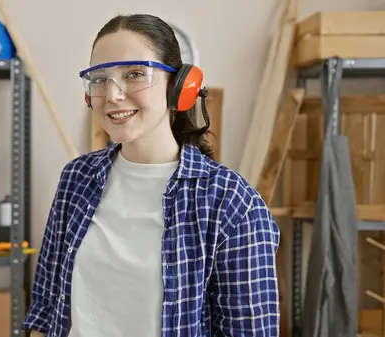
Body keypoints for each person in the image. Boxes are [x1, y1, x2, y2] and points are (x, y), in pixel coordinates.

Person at [22, 13, 280, 337]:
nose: (113, 95)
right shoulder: (77, 179)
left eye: (134, 74)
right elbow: (45, 310)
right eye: (100, 78)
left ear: (180, 86)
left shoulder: (232, 204)